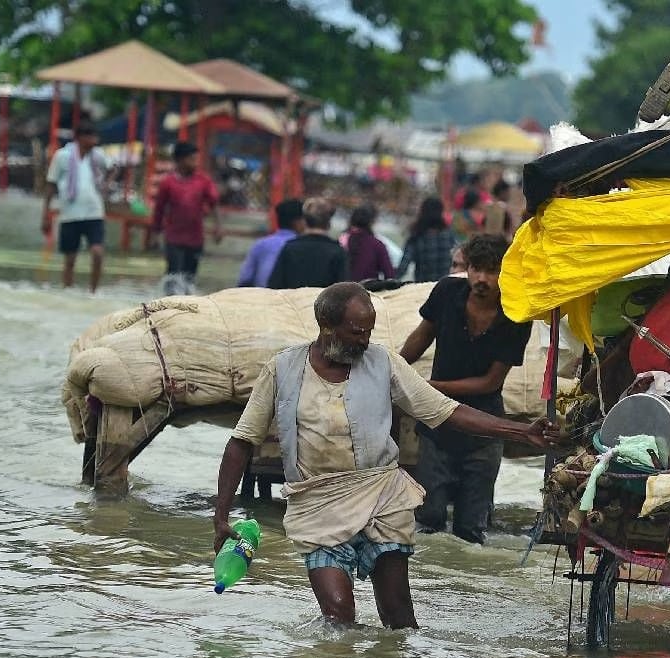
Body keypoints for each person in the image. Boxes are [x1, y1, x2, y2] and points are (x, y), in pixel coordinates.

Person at [213, 282, 557, 628]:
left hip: (382, 498)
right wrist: (221, 516)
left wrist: (521, 431)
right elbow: (242, 441)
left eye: (369, 332)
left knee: (399, 618)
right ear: (326, 325)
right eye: (356, 332)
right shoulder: (282, 369)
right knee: (337, 617)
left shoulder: (384, 362)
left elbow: (443, 410)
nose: (364, 340)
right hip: (316, 503)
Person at [399, 235, 533, 544]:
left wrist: (430, 387)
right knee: (428, 521)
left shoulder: (515, 315)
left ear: (506, 272)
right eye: (476, 268)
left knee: (471, 530)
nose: (482, 279)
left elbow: (491, 382)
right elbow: (421, 337)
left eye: (492, 270)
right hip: (437, 428)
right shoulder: (447, 292)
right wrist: (394, 368)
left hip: (483, 434)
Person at [43, 124, 109, 292]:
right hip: (69, 214)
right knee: (70, 258)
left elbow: (112, 167)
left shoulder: (97, 156)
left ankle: (93, 292)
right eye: (91, 137)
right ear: (80, 138)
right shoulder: (62, 156)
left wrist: (106, 184)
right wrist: (45, 214)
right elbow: (51, 184)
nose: (94, 141)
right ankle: (68, 290)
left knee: (97, 252)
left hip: (94, 212)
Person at [150, 142, 221, 290]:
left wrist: (217, 227)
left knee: (190, 278)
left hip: (195, 238)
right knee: (173, 276)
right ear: (180, 160)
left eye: (196, 159)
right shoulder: (168, 183)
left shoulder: (203, 181)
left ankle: (187, 307)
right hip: (173, 238)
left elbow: (214, 203)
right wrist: (155, 234)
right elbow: (159, 209)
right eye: (192, 159)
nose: (195, 163)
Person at [268, 198, 348, 290]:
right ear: (329, 223)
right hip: (323, 304)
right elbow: (343, 291)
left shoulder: (289, 248)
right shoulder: (338, 251)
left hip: (293, 303)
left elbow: (274, 285)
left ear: (305, 221)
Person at [238, 199, 305, 287]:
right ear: (297, 222)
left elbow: (245, 279)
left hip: (262, 296)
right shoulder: (303, 246)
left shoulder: (261, 244)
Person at [398, 197, 458, 282]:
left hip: (424, 288)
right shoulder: (449, 236)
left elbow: (403, 266)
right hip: (445, 286)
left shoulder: (417, 237)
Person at [342, 204, 396, 282]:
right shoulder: (377, 245)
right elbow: (390, 275)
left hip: (342, 291)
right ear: (371, 222)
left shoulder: (341, 240)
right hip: (368, 290)